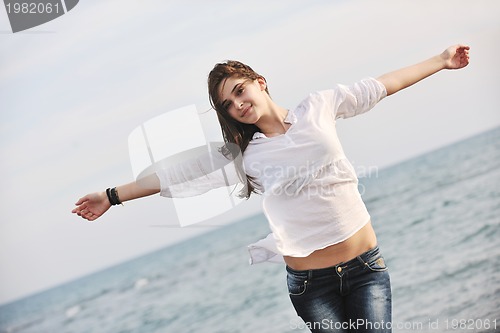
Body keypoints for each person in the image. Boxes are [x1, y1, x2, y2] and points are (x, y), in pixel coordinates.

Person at [72, 44, 470, 332]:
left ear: (260, 83)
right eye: (227, 104)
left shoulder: (319, 106)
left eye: (239, 91)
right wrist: (110, 196)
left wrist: (440, 61)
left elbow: (381, 86)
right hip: (313, 287)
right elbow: (176, 174)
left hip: (366, 267)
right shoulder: (241, 154)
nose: (237, 105)